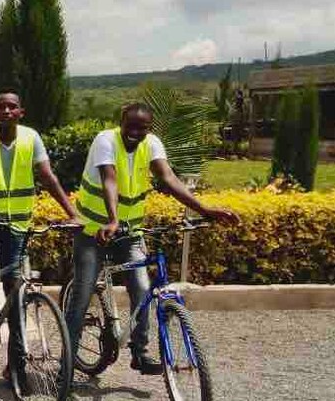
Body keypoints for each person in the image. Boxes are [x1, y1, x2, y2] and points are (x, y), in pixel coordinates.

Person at [66, 102, 239, 375]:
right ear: (121, 122)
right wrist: (112, 219)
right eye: (130, 126)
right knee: (83, 292)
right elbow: (109, 179)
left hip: (130, 232)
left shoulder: (152, 143)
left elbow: (168, 177)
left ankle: (140, 352)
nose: (135, 132)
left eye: (142, 128)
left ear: (149, 128)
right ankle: (67, 360)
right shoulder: (105, 140)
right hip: (92, 231)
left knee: (142, 289)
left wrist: (205, 210)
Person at [0, 89, 79, 379]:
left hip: (17, 226)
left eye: (11, 107)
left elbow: (48, 177)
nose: (6, 111)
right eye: (0, 106)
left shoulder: (31, 138)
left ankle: (17, 366)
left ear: (20, 112)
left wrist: (71, 213)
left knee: (16, 293)